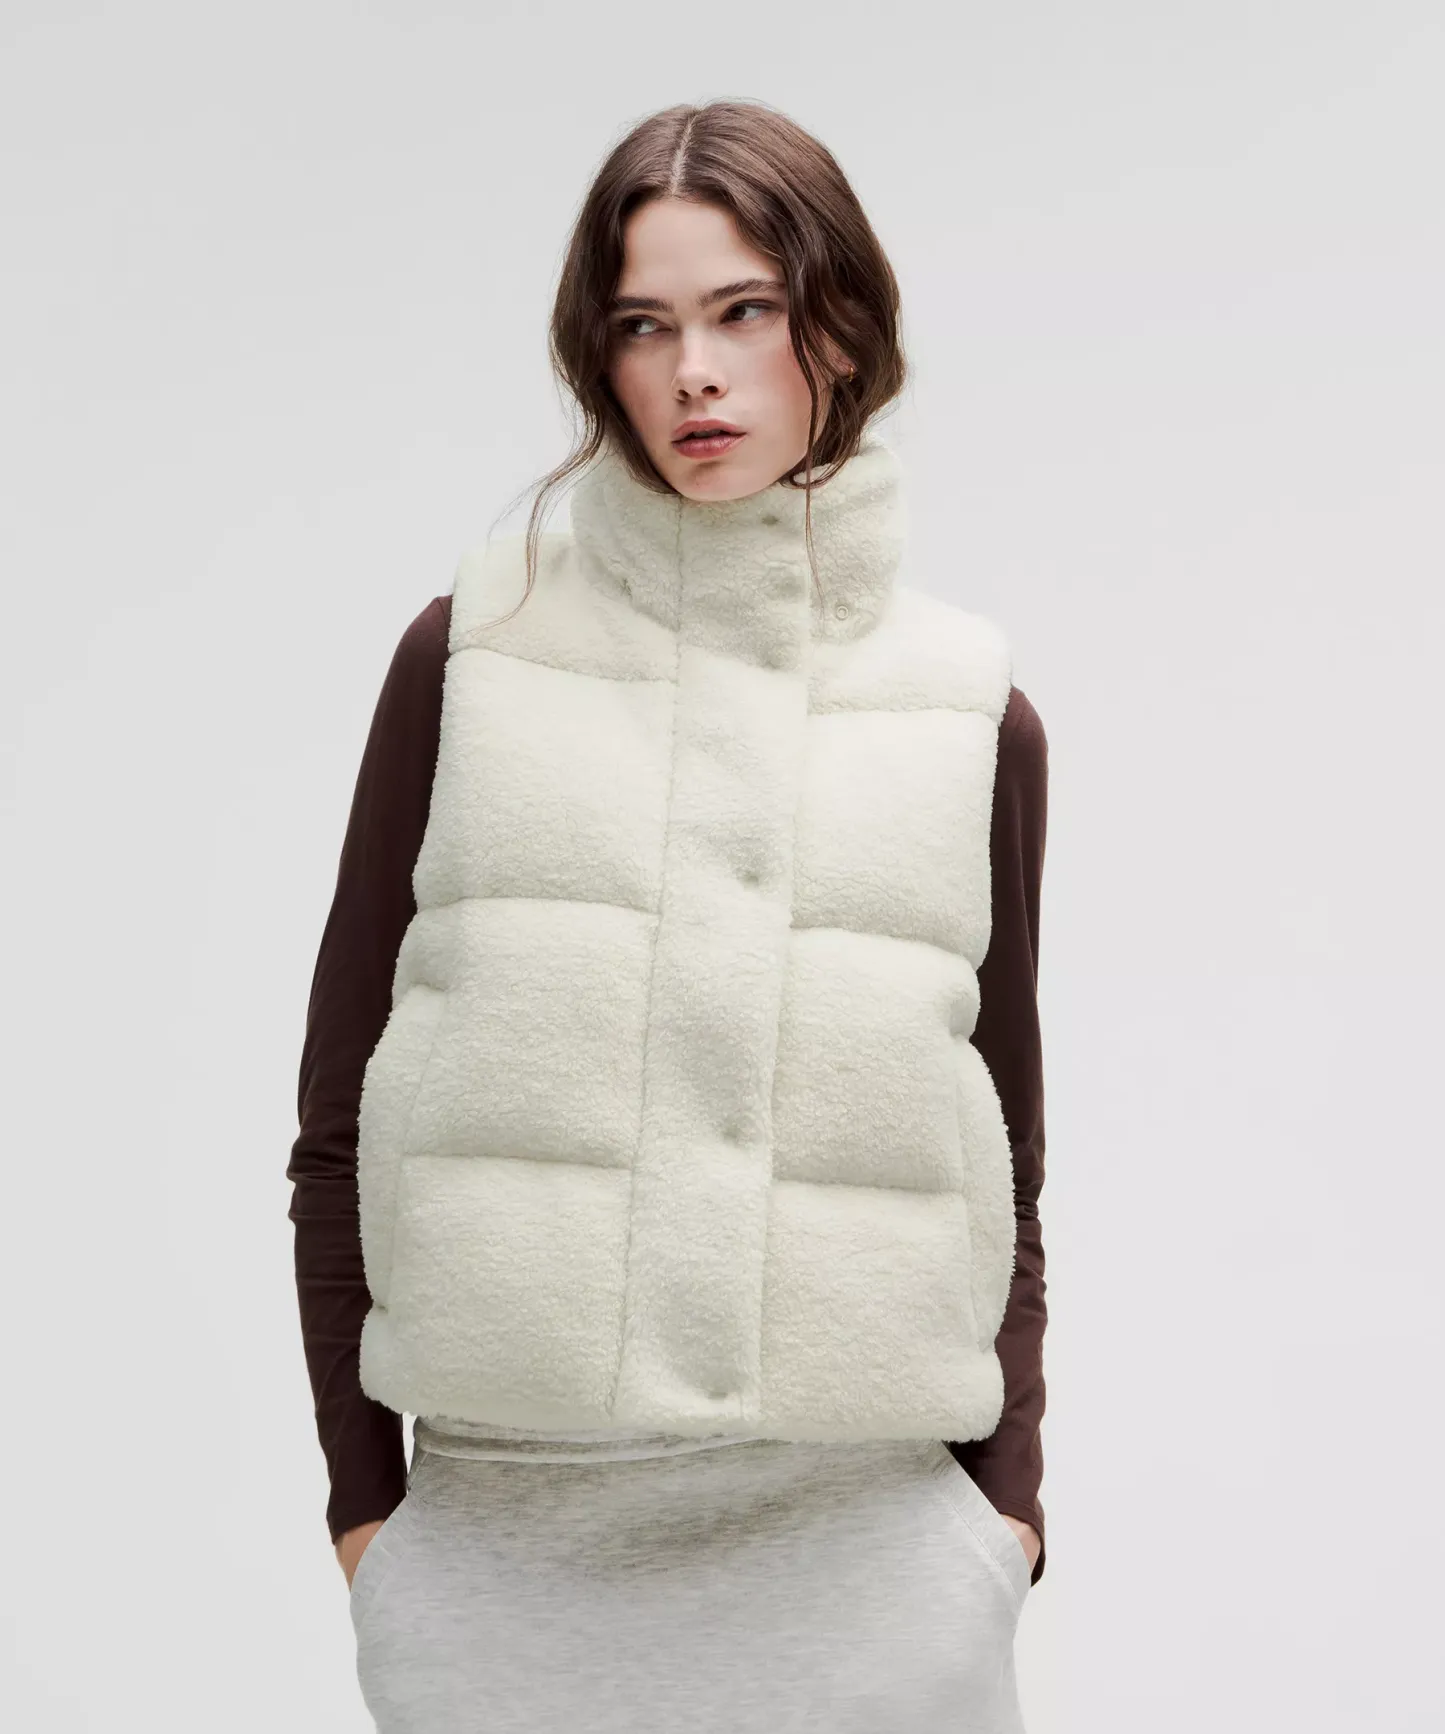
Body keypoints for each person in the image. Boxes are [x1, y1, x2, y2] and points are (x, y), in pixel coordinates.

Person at [287, 97, 1049, 1732]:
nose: (695, 371)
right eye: (645, 325)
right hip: (508, 1556)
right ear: (601, 356)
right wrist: (369, 1516)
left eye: (743, 310)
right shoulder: (470, 658)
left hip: (870, 1559)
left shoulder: (971, 713)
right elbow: (337, 1123)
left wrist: (1006, 1519)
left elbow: (1006, 1147)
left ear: (839, 325)